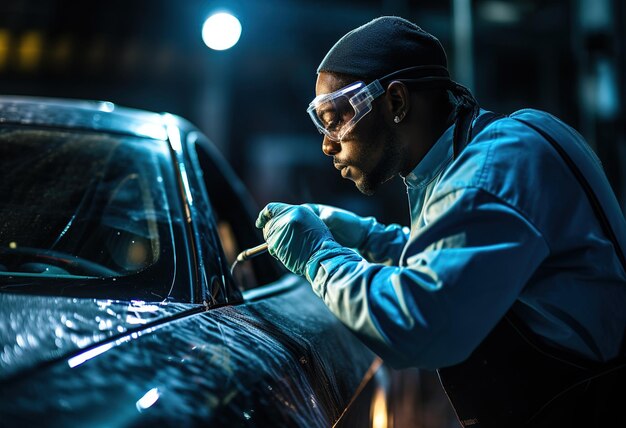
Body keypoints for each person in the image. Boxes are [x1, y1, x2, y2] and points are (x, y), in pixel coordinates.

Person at [255, 16, 626, 427]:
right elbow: (470, 263)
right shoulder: (487, 151)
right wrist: (370, 239)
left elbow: (418, 322)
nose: (328, 144)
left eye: (336, 117)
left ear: (396, 103)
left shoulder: (493, 167)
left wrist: (318, 257)